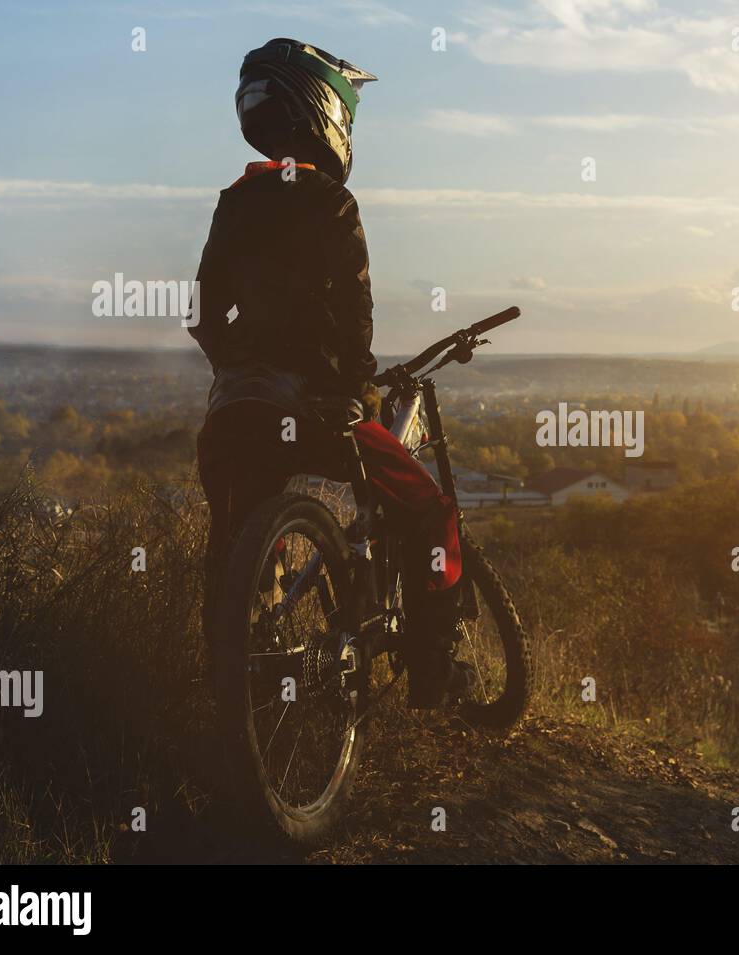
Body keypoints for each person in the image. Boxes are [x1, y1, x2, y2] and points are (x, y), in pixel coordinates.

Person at [188, 38, 472, 708]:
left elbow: (200, 311)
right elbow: (354, 310)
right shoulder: (327, 201)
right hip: (315, 407)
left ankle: (236, 693)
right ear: (325, 113)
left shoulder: (235, 201)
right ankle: (435, 673)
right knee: (430, 511)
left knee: (232, 544)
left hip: (234, 412)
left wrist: (237, 367)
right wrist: (357, 388)